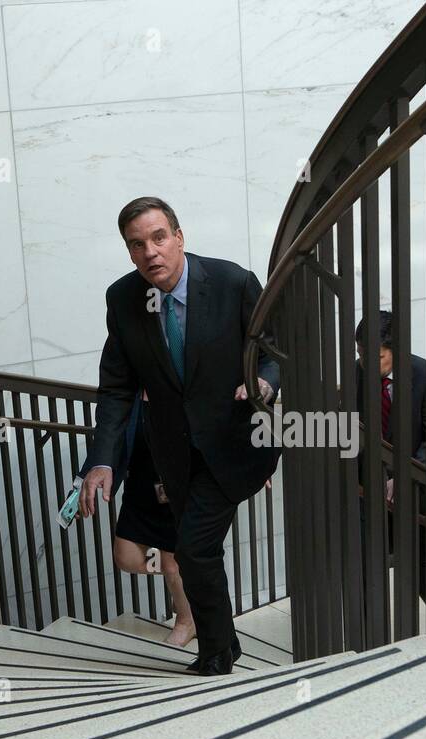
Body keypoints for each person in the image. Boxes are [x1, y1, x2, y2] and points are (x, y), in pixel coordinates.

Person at [80, 197, 280, 676]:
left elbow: (274, 349)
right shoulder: (124, 298)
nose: (151, 252)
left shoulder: (231, 282)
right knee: (200, 550)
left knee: (191, 549)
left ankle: (214, 655)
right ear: (129, 253)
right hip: (174, 454)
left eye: (158, 237)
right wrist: (102, 460)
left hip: (235, 444)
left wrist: (266, 382)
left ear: (179, 237)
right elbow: (117, 387)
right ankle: (226, 642)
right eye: (137, 244)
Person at [355, 310, 426, 636]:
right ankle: (371, 648)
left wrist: (403, 477)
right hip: (375, 497)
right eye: (361, 354)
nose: (366, 363)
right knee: (365, 573)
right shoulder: (358, 374)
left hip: (424, 497)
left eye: (375, 356)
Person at [96, 392, 197, 647]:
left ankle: (187, 620)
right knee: (126, 556)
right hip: (139, 488)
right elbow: (109, 430)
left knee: (172, 563)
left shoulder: (182, 383)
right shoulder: (128, 390)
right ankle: (188, 582)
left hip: (177, 489)